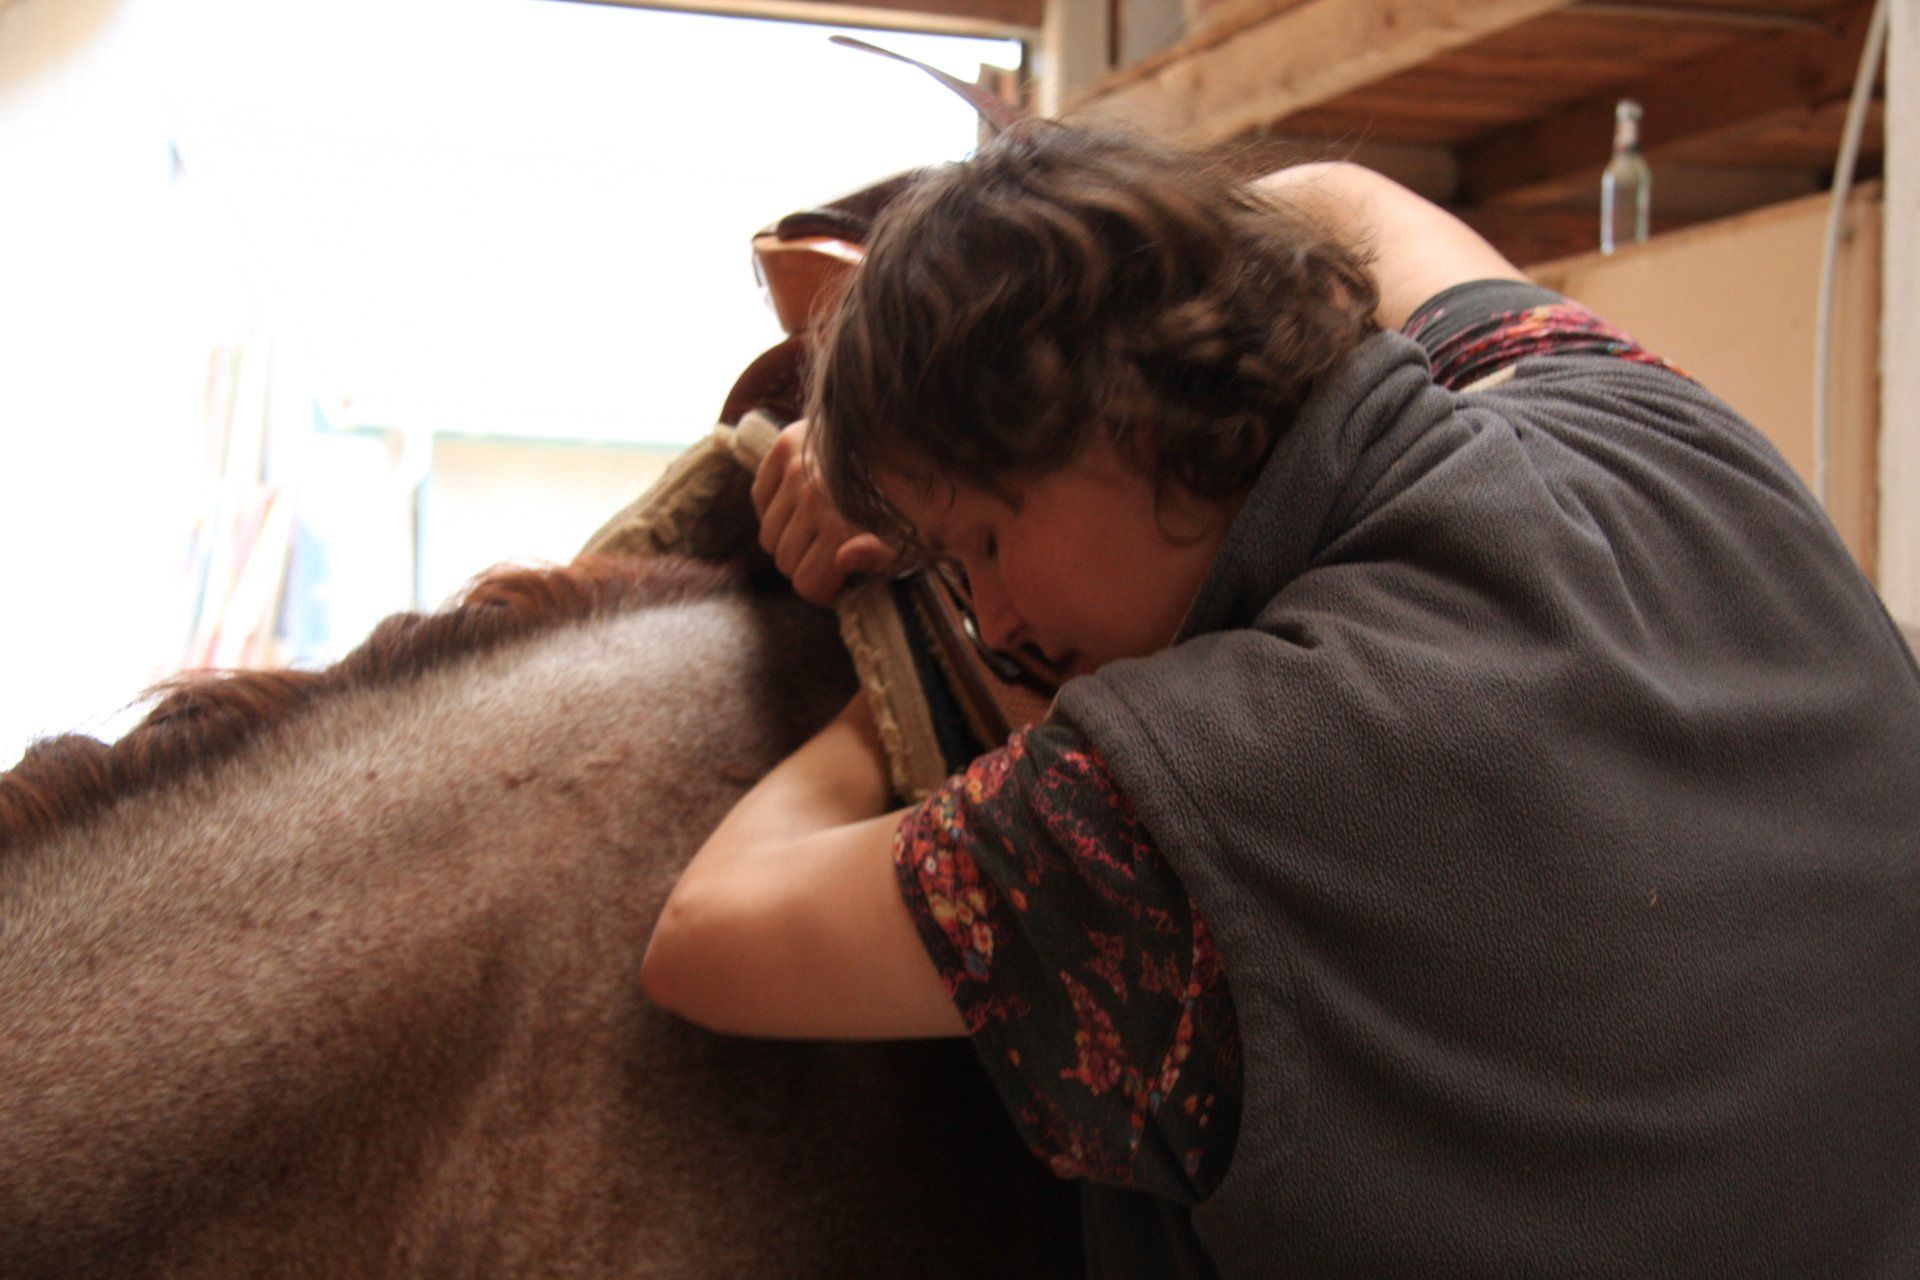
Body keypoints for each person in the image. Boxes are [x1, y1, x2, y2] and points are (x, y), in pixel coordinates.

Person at [639, 123, 1920, 1278]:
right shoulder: (1631, 415)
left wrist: (882, 702)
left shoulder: (1183, 800)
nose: (995, 615)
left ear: (1113, 420)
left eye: (977, 539)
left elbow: (706, 931)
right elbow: (1342, 193)